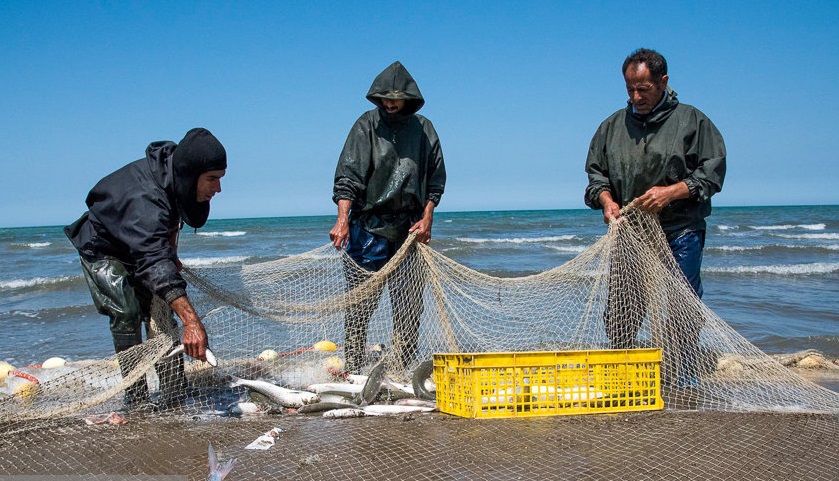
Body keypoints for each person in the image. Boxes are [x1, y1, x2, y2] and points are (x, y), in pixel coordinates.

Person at [584, 48, 726, 385]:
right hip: (630, 233)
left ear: (662, 82)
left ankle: (682, 374)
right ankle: (622, 373)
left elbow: (712, 175)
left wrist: (671, 192)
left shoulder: (693, 121)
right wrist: (607, 201)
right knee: (621, 310)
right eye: (630, 90)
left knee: (682, 307)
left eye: (643, 89)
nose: (636, 97)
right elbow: (596, 178)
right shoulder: (611, 127)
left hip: (681, 230)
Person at [65, 127, 227, 408]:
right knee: (127, 311)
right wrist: (192, 321)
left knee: (161, 315)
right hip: (104, 249)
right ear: (192, 175)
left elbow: (173, 218)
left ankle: (175, 393)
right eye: (212, 179)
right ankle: (136, 397)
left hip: (142, 243)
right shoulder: (144, 198)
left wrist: (171, 252)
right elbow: (152, 258)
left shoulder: (175, 176)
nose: (218, 188)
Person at [330, 61, 446, 374]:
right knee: (359, 305)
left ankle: (401, 370)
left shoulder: (424, 129)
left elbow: (435, 179)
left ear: (409, 98)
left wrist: (428, 217)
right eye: (384, 97)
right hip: (368, 227)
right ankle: (353, 368)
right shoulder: (366, 125)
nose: (389, 103)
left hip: (410, 229)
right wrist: (342, 219)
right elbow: (348, 177)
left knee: (409, 307)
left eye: (395, 98)